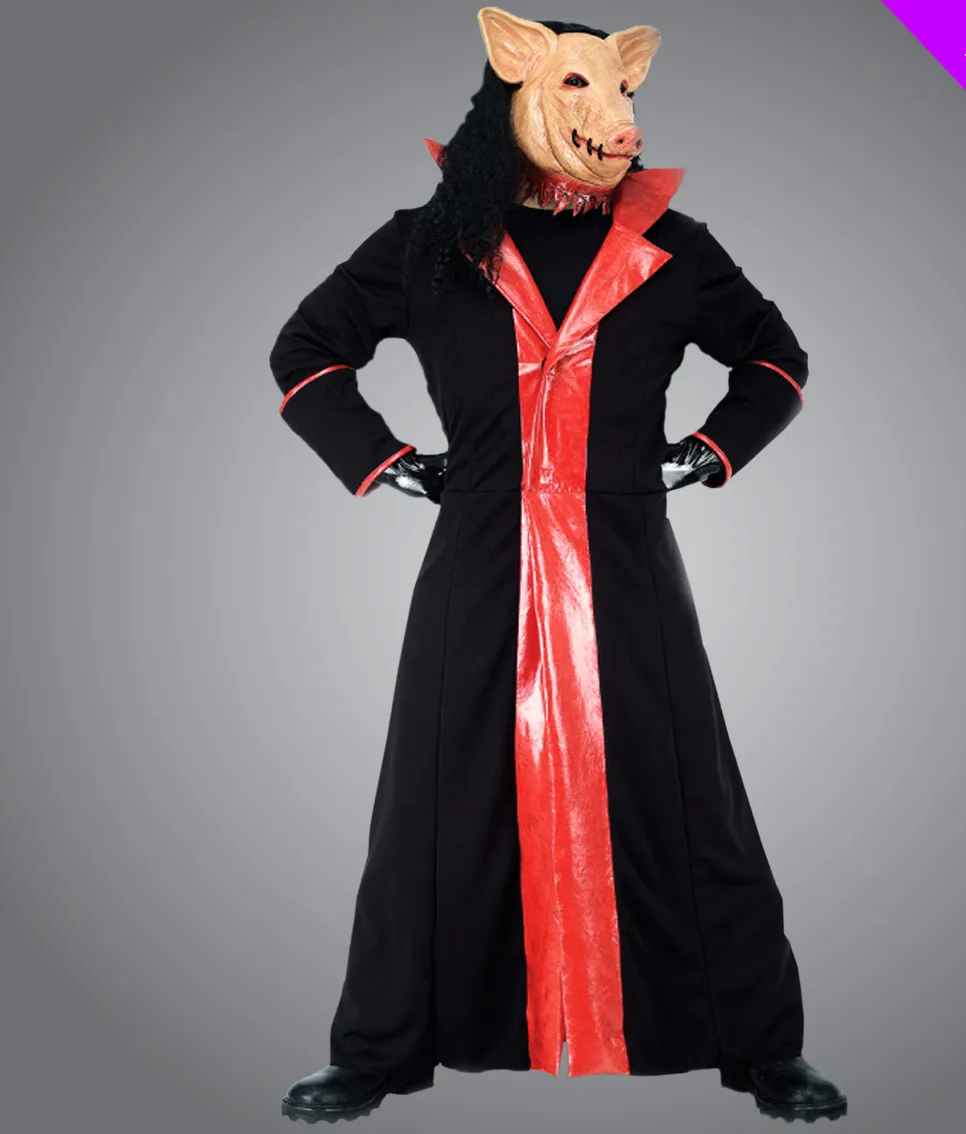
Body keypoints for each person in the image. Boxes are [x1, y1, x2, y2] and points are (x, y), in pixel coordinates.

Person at [269, 6, 847, 1124]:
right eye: (582, 88)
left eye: (623, 92)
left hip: (626, 556)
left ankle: (762, 1046)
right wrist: (389, 463)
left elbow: (775, 358)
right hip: (478, 552)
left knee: (687, 795)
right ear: (519, 83)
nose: (614, 116)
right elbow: (306, 350)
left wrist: (711, 450)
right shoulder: (429, 242)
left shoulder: (674, 247)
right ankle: (376, 1048)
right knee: (435, 801)